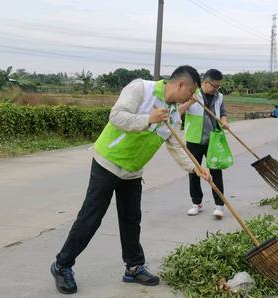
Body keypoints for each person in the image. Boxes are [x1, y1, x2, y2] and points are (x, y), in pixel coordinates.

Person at [50, 66, 212, 295]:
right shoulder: (140, 89)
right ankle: (62, 265)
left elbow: (176, 145)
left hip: (133, 170)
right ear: (181, 85)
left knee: (131, 219)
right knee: (91, 217)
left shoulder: (174, 113)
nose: (192, 97)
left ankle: (134, 267)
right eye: (192, 91)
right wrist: (148, 119)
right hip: (108, 162)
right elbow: (116, 116)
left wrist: (197, 168)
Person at [177, 69, 229, 219]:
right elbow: (177, 112)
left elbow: (224, 113)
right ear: (205, 83)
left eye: (219, 86)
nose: (216, 89)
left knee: (216, 171)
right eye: (215, 86)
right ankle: (196, 203)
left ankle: (219, 205)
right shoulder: (193, 94)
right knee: (194, 172)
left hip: (213, 139)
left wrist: (224, 122)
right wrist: (190, 102)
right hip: (194, 140)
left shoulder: (219, 97)